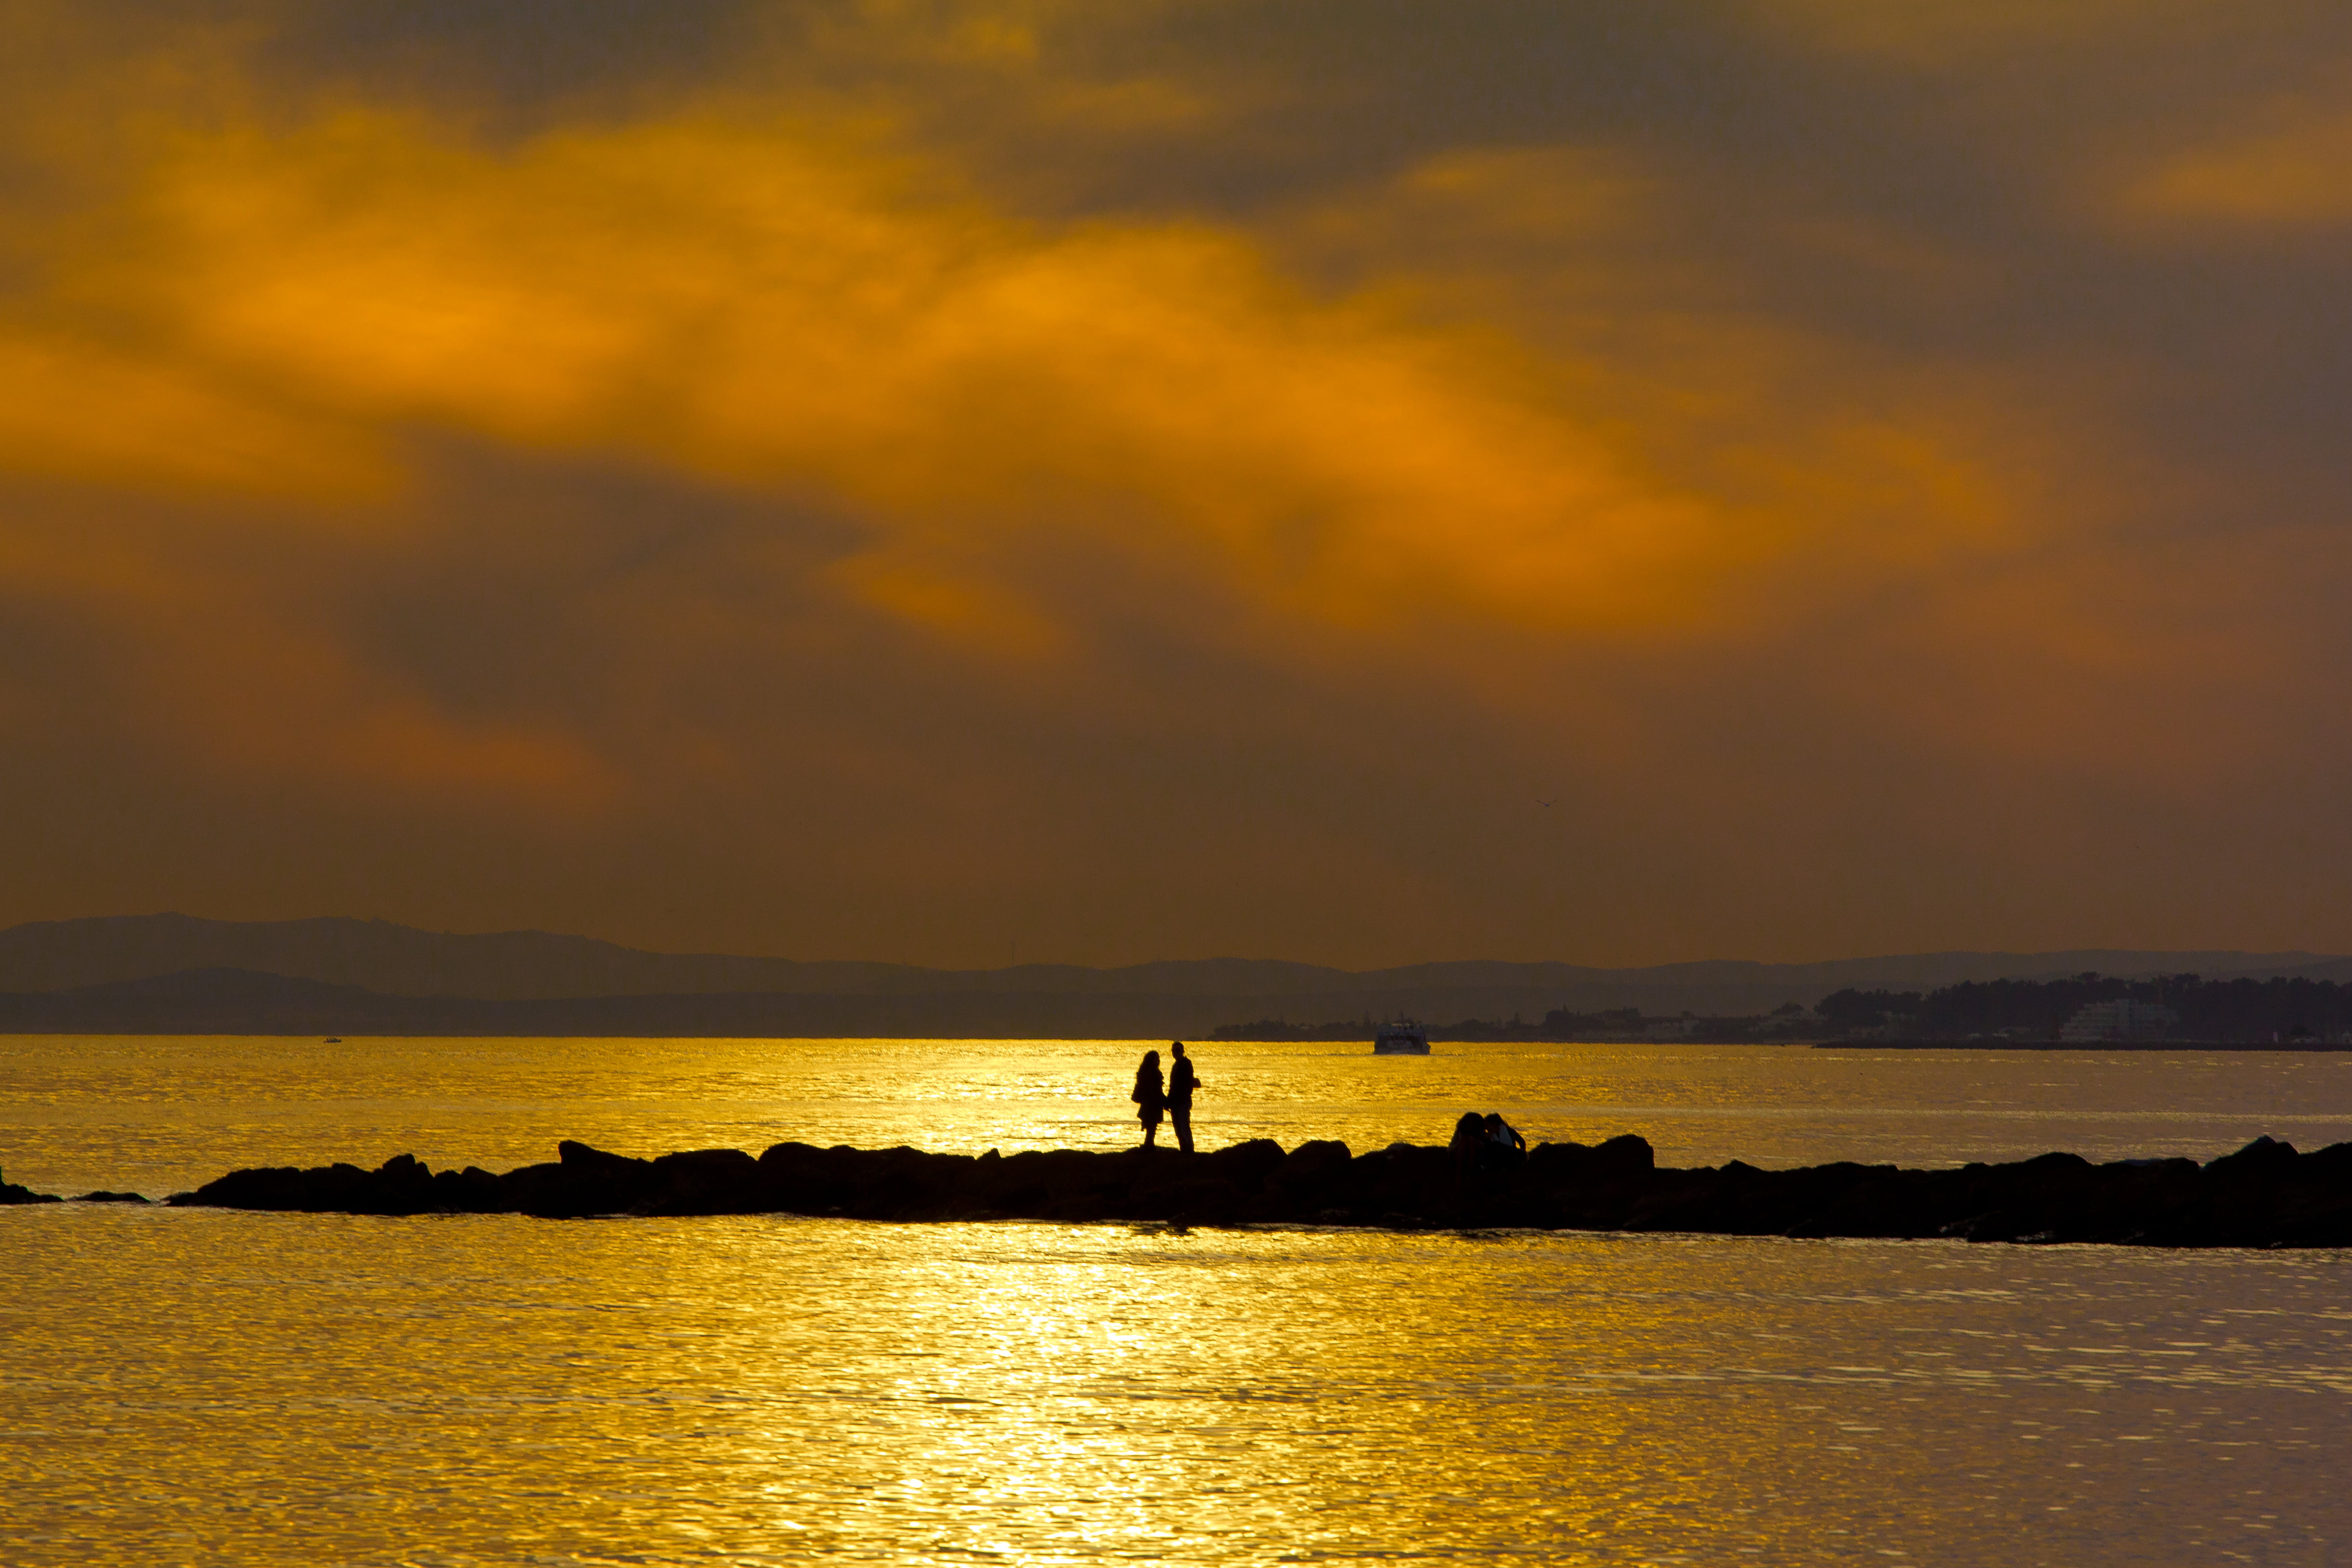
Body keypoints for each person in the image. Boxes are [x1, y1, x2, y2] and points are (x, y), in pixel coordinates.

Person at [1165, 1041, 1201, 1154]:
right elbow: (1173, 1085)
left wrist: (1178, 1097)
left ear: (1183, 1051)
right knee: (1178, 1128)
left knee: (1184, 1126)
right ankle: (1184, 1149)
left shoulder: (1186, 1064)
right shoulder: (1175, 1065)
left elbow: (1184, 1084)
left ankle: (1189, 1150)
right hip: (1175, 1101)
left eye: (1178, 1050)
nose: (1175, 1053)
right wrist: (1169, 1100)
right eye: (1173, 1050)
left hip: (1183, 1101)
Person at [1131, 1049, 1166, 1149]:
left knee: (1151, 1127)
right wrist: (1164, 1101)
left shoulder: (1145, 1072)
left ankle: (1149, 1145)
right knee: (1152, 1127)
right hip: (1152, 1105)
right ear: (1152, 1060)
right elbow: (1155, 1090)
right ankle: (1149, 1146)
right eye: (1157, 1059)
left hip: (1148, 1104)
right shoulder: (1153, 1072)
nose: (1159, 1061)